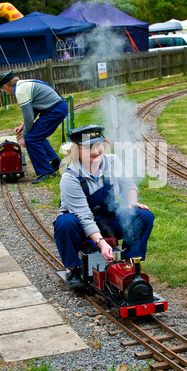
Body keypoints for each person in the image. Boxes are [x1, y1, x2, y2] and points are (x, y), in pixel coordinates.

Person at [53, 124, 154, 290]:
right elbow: (84, 216)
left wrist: (131, 200)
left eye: (98, 145)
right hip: (80, 225)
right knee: (65, 223)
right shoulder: (70, 177)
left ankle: (130, 263)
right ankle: (72, 269)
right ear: (77, 150)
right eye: (88, 148)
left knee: (143, 215)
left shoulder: (113, 161)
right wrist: (101, 243)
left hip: (109, 219)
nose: (95, 151)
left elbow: (128, 184)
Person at [0, 70, 68, 184]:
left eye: (2, 89)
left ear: (5, 86)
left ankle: (46, 172)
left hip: (54, 110)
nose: (4, 91)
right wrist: (23, 125)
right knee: (37, 136)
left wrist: (24, 136)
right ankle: (56, 162)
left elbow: (29, 118)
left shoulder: (20, 92)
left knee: (31, 139)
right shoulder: (22, 85)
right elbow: (32, 112)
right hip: (56, 108)